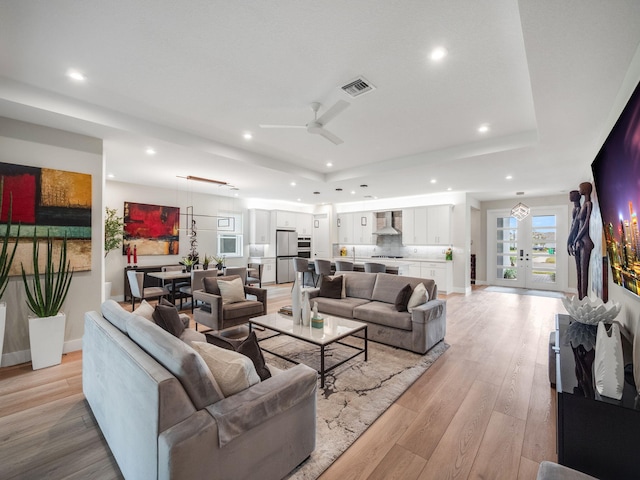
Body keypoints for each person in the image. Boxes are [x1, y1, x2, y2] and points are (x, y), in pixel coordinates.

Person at [572, 182, 594, 299]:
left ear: (585, 189)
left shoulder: (588, 204)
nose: (579, 190)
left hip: (585, 242)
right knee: (579, 273)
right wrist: (572, 241)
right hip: (580, 241)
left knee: (583, 273)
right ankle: (580, 299)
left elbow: (586, 225)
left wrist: (575, 239)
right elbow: (575, 226)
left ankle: (584, 301)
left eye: (580, 188)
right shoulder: (580, 207)